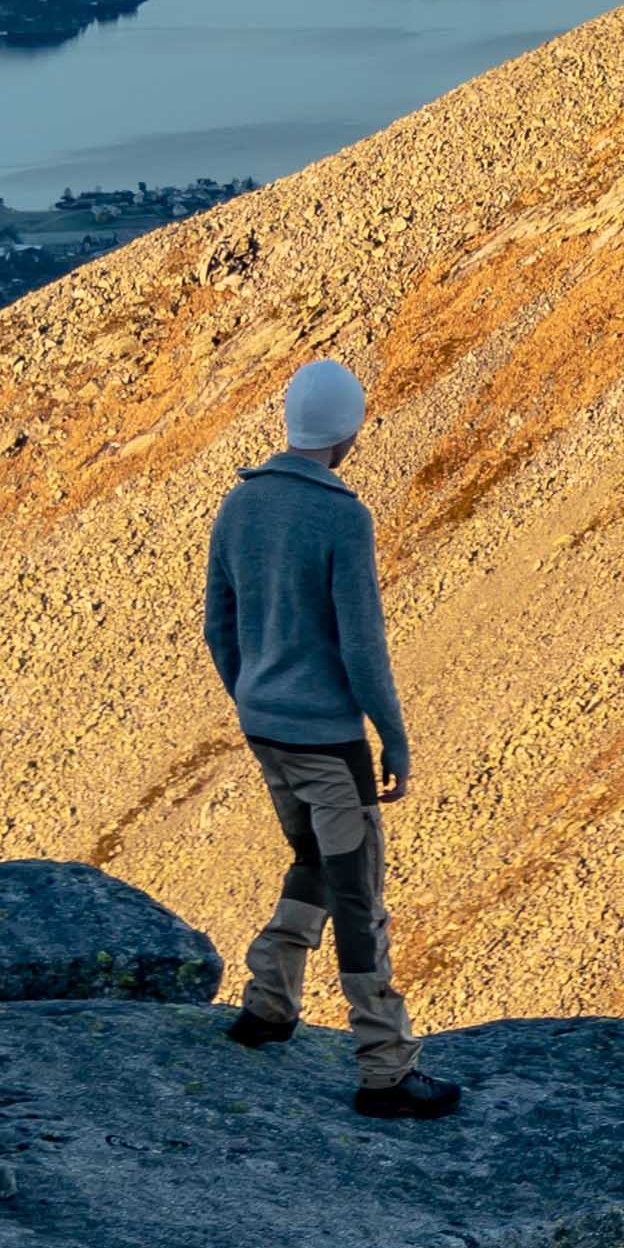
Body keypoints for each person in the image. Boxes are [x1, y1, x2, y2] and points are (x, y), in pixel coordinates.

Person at [200, 354, 457, 1117]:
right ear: (349, 433)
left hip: (264, 729)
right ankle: (385, 1065)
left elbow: (220, 624)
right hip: (327, 740)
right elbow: (362, 646)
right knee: (358, 892)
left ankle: (268, 1003)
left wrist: (253, 696)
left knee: (313, 857)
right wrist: (395, 739)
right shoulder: (344, 517)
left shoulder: (238, 506)